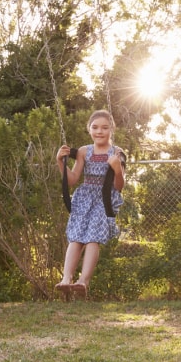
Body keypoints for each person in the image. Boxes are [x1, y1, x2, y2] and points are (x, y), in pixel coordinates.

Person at [55, 110, 125, 295]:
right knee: (76, 237)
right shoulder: (84, 152)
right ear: (89, 129)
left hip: (104, 199)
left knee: (93, 237)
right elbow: (72, 180)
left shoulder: (117, 153)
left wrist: (117, 169)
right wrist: (60, 162)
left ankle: (83, 281)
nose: (99, 131)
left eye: (104, 127)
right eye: (95, 127)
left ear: (111, 129)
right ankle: (66, 279)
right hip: (84, 197)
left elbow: (118, 186)